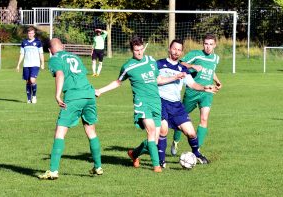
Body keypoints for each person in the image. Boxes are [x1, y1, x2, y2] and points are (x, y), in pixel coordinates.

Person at [95, 36, 183, 173]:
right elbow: (118, 82)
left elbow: (158, 79)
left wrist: (175, 77)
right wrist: (101, 90)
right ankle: (156, 167)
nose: (140, 53)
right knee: (152, 131)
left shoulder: (151, 61)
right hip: (142, 103)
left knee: (153, 141)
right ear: (132, 50)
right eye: (137, 51)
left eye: (141, 49)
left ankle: (134, 154)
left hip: (156, 102)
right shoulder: (128, 66)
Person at [38, 38, 102, 180]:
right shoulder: (74, 57)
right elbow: (81, 75)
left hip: (74, 97)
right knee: (91, 130)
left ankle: (53, 171)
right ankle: (98, 167)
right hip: (89, 95)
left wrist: (57, 95)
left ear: (49, 50)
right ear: (63, 46)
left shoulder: (55, 58)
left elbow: (60, 74)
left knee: (60, 132)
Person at [157, 39, 217, 167]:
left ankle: (197, 153)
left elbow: (193, 84)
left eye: (179, 50)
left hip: (176, 105)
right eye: (174, 48)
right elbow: (157, 81)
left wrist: (205, 87)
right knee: (163, 130)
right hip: (161, 101)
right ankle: (161, 161)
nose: (176, 51)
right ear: (169, 48)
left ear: (181, 52)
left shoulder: (182, 68)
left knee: (191, 132)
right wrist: (174, 77)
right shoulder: (159, 64)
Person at [171, 33, 222, 156]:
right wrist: (193, 66)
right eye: (206, 44)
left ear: (215, 45)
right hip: (192, 91)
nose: (208, 47)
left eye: (210, 44)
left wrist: (217, 80)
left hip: (207, 92)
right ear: (203, 44)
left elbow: (211, 71)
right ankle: (175, 141)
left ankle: (196, 150)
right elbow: (181, 63)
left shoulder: (216, 58)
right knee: (181, 118)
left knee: (204, 119)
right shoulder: (195, 54)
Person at [16, 26, 44, 104]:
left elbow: (41, 53)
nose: (30, 35)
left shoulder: (38, 42)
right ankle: (29, 99)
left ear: (34, 34)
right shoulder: (24, 42)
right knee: (28, 82)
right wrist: (18, 65)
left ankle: (34, 96)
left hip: (35, 64)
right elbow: (22, 54)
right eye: (29, 33)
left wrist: (42, 63)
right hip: (26, 65)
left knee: (32, 80)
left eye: (32, 33)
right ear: (27, 34)